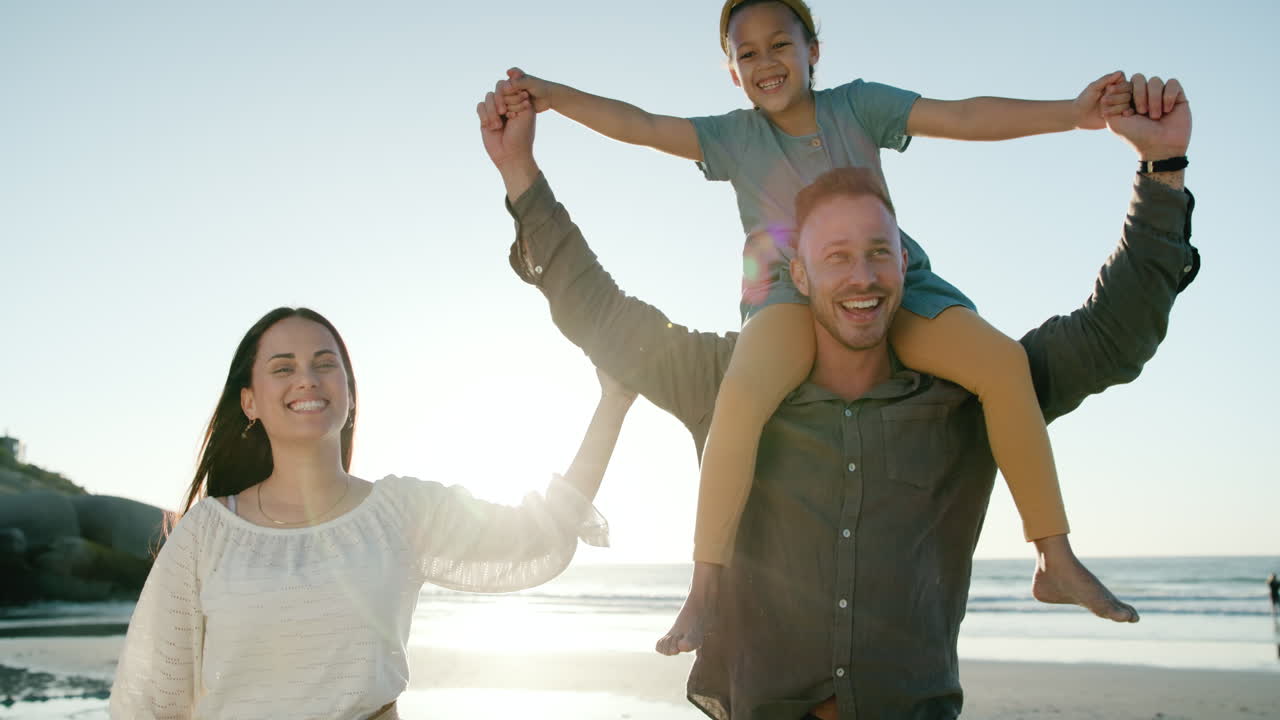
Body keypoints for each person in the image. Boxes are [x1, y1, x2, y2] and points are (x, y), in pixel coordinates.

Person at [477, 72, 1197, 717]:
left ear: (906, 263)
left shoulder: (969, 394)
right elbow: (598, 312)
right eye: (837, 257)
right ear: (799, 272)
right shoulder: (725, 381)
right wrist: (519, 173)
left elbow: (1113, 336)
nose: (862, 276)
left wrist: (1161, 170)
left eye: (880, 253)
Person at [108, 307, 636, 719]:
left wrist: (613, 402)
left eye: (324, 363)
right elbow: (151, 702)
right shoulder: (207, 532)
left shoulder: (400, 510)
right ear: (249, 401)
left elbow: (536, 534)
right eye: (282, 368)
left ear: (350, 394)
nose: (307, 379)